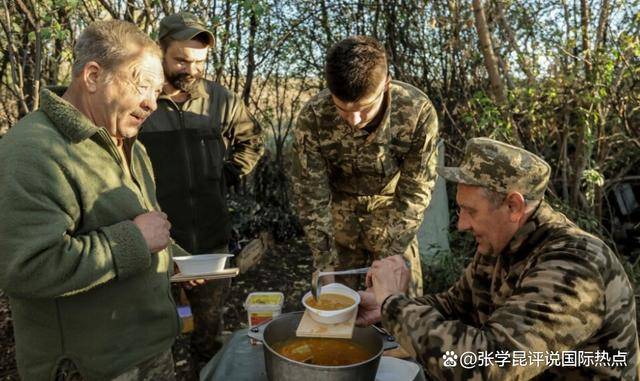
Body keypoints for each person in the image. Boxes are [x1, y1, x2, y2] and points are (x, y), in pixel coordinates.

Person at [358, 137, 640, 380]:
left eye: (471, 211)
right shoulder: (500, 246)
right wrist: (384, 308)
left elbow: (488, 367)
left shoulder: (574, 266)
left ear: (513, 206)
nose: (462, 225)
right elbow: (454, 306)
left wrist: (394, 305)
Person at [0, 20, 184, 380]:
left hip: (149, 350)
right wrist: (136, 241)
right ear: (93, 76)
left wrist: (174, 259)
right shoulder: (32, 151)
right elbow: (25, 268)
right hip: (91, 367)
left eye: (157, 90)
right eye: (141, 85)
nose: (151, 103)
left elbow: (138, 224)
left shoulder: (130, 144)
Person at [137, 12, 264, 369]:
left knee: (207, 337)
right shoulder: (140, 101)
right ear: (158, 50)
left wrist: (226, 175)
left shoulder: (218, 99)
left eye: (200, 61)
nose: (191, 69)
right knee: (153, 341)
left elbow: (252, 139)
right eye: (181, 59)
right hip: (153, 244)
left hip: (209, 241)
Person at [290, 35, 439, 296]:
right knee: (335, 313)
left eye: (363, 108)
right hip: (337, 231)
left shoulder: (416, 112)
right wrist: (324, 264)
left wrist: (390, 259)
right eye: (342, 110)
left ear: (386, 85)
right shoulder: (313, 116)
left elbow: (415, 192)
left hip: (394, 223)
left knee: (401, 315)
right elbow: (311, 195)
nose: (353, 120)